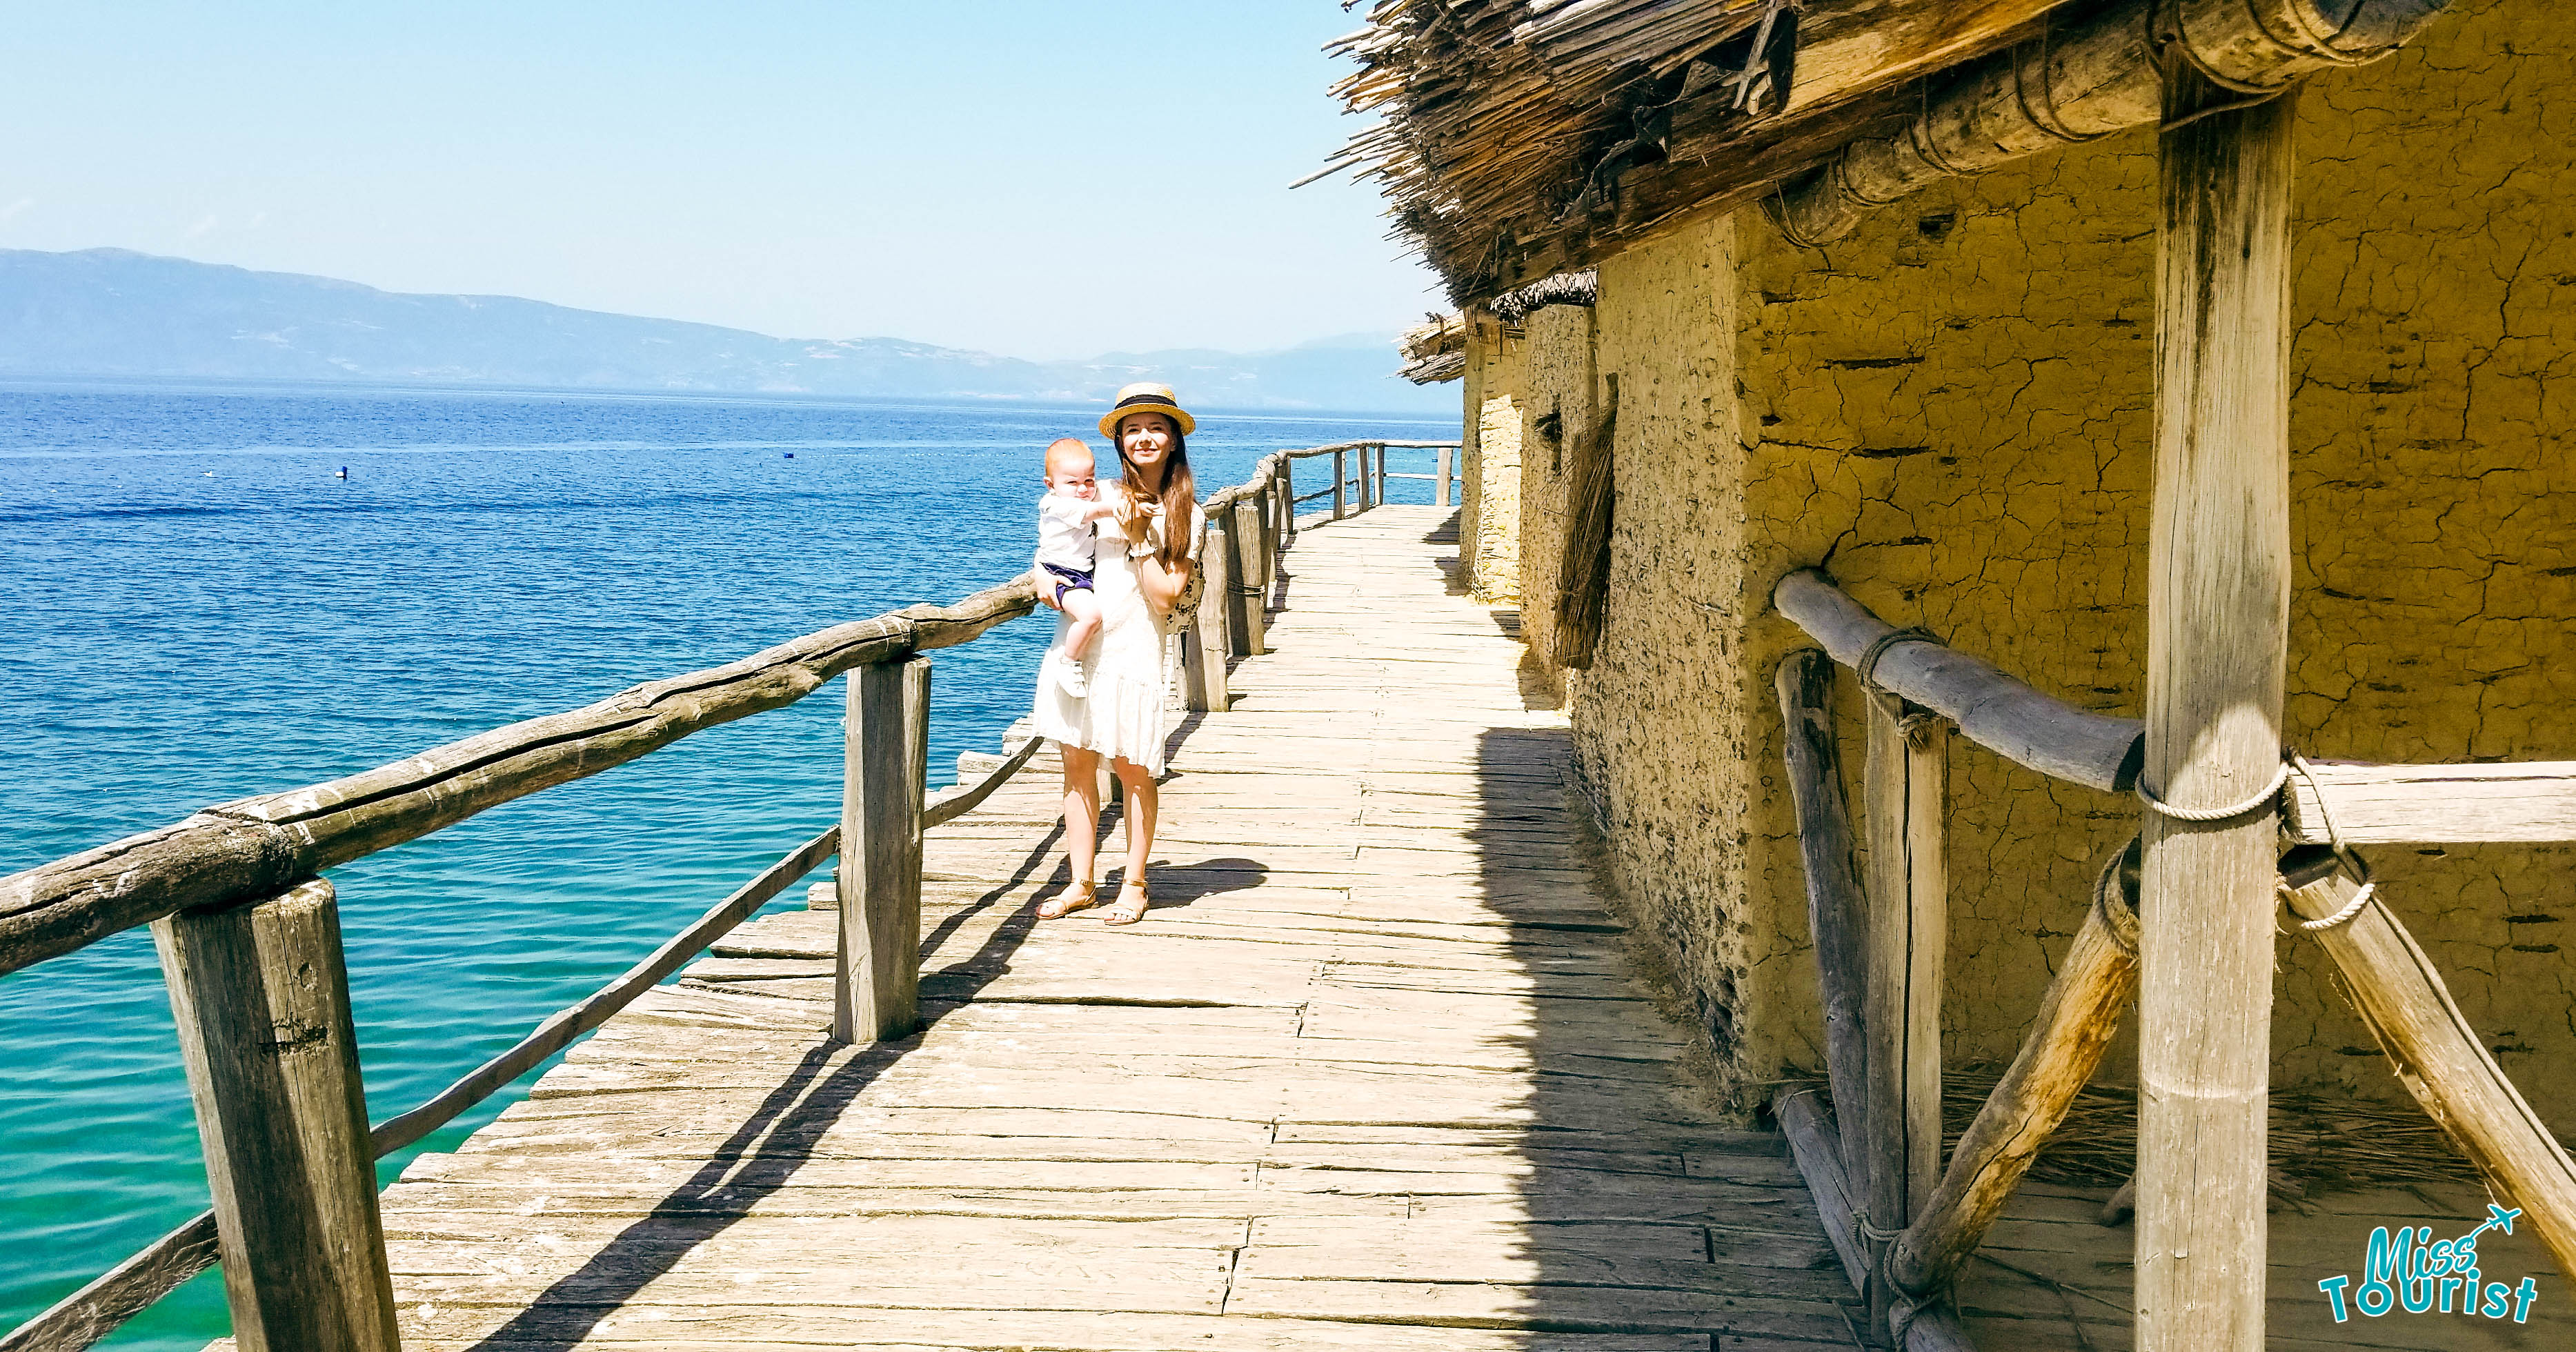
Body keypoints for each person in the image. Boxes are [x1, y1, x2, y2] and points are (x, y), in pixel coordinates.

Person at [1030, 382, 1202, 926]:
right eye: (1133, 429)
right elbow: (1049, 553)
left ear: (1174, 439)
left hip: (1134, 651)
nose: (1144, 437)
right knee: (1077, 769)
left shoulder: (1187, 514)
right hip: (1081, 648)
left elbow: (1165, 595)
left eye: (1156, 427)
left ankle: (1134, 882)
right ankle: (1081, 882)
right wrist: (1047, 581)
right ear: (1119, 440)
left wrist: (1138, 536)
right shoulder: (1094, 491)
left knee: (1135, 771)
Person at [1031, 437, 1127, 698]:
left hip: (1080, 572)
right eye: (1072, 483)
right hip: (1061, 573)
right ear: (1051, 485)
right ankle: (1068, 662)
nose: (1083, 489)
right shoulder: (1055, 504)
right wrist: (1120, 508)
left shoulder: (1080, 496)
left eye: (1089, 480)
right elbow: (1090, 513)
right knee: (1090, 616)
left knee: (1091, 617)